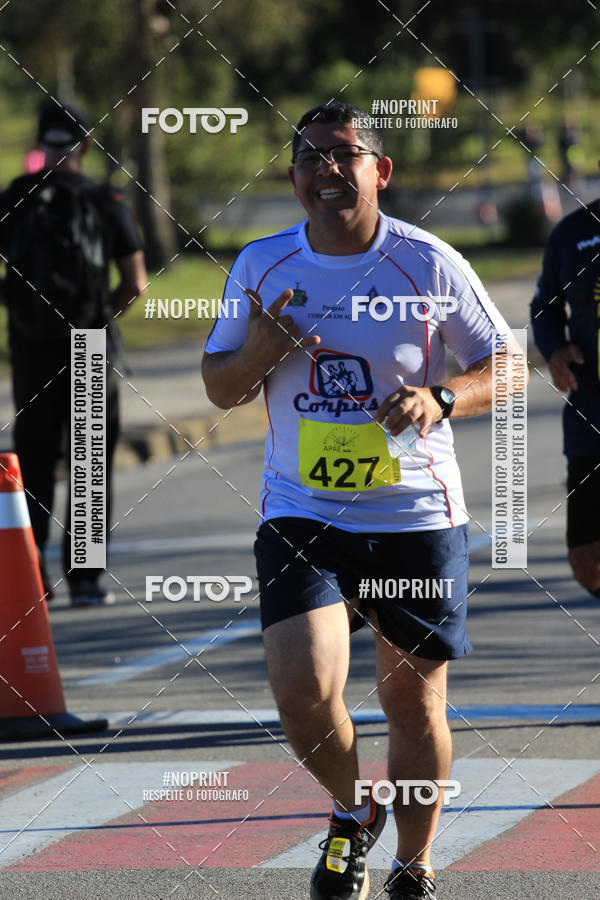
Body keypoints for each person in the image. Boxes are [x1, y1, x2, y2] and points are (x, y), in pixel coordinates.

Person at [202, 102, 517, 899]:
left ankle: (415, 862)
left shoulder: (429, 262)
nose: (327, 170)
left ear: (382, 169)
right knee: (302, 691)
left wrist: (440, 400)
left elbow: (508, 367)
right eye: (310, 158)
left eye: (345, 154)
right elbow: (218, 386)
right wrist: (262, 351)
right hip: (302, 511)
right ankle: (350, 814)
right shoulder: (260, 267)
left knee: (412, 706)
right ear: (292, 177)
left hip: (415, 513)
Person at [0, 101, 147, 607]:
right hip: (88, 344)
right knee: (88, 463)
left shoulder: (13, 200)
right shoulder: (105, 200)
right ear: (85, 144)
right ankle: (85, 581)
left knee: (34, 462)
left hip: (29, 346)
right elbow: (136, 283)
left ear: (39, 143)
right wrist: (100, 317)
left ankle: (31, 575)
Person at [531, 192, 600, 600]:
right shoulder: (573, 233)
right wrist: (555, 349)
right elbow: (545, 307)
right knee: (587, 561)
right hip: (591, 416)